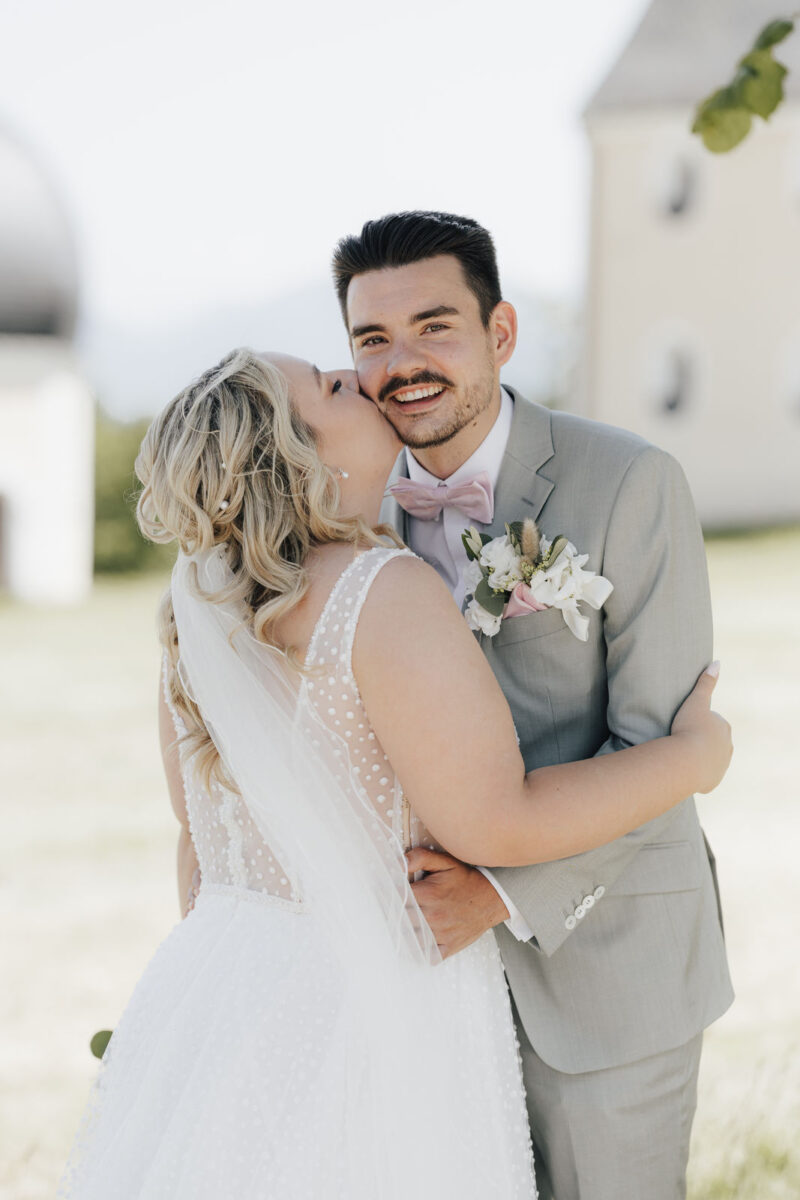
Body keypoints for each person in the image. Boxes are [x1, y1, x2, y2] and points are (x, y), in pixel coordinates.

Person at [59, 348, 731, 1200]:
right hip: (375, 1000)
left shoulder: (195, 607)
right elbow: (500, 823)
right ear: (304, 455)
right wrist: (694, 758)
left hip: (225, 990)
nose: (356, 375)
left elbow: (198, 843)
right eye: (331, 388)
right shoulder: (381, 591)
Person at [331, 210, 735, 1200]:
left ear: (499, 333)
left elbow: (656, 748)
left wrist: (499, 895)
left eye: (433, 326)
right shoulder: (344, 508)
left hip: (607, 971)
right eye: (371, 339)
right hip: (424, 985)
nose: (402, 363)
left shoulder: (629, 484)